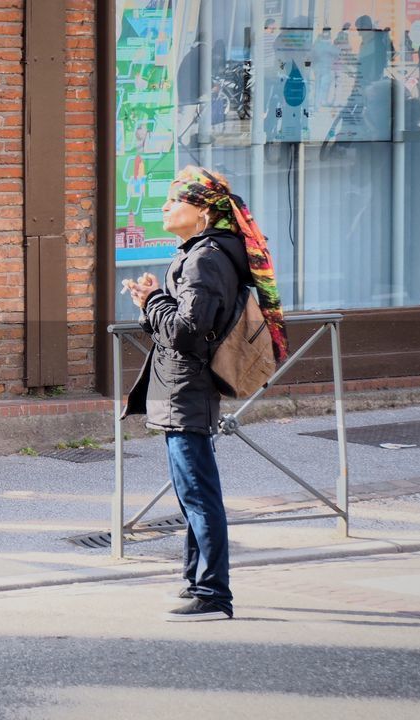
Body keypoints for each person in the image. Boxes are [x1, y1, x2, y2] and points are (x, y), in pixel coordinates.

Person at [121, 166, 288, 622]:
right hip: (184, 388)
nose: (164, 208)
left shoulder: (205, 259)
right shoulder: (203, 254)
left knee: (198, 494)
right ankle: (198, 583)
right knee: (190, 492)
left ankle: (214, 594)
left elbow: (189, 333)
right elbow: (185, 324)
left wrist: (152, 303)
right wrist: (154, 302)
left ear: (201, 211)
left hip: (187, 389)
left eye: (174, 201)